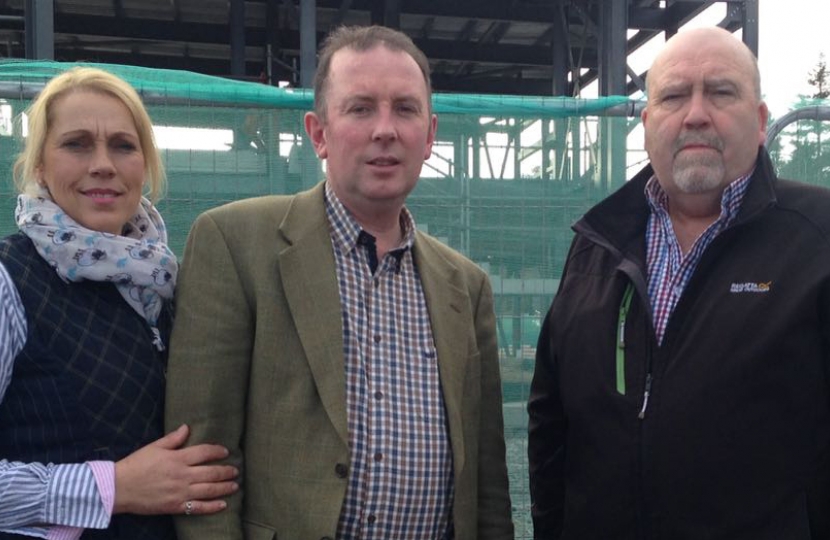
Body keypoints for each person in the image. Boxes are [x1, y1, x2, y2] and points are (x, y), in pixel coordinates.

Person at [165, 25, 514, 540]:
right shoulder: (236, 244)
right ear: (318, 133)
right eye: (360, 108)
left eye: (405, 108)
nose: (385, 130)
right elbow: (203, 466)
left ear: (431, 133)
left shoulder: (467, 287)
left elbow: (485, 485)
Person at [528, 26, 830, 540]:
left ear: (759, 122)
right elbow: (551, 422)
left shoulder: (818, 239)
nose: (695, 114)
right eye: (673, 96)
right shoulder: (596, 245)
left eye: (720, 92)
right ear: (647, 125)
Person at [0, 67, 238, 540]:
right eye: (77, 144)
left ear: (145, 165)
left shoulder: (167, 286)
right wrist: (112, 487)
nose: (103, 164)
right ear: (41, 165)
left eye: (124, 146)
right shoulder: (10, 281)